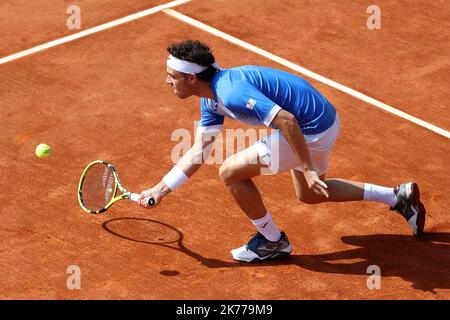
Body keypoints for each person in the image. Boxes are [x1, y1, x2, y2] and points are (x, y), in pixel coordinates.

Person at [138, 40, 426, 263]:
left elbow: (287, 120)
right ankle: (395, 196)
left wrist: (308, 167)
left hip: (310, 128)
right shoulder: (211, 97)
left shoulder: (231, 93)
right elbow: (200, 150)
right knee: (310, 194)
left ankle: (272, 241)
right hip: (322, 119)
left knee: (231, 172)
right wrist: (160, 190)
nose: (167, 81)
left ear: (191, 78)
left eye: (171, 76)